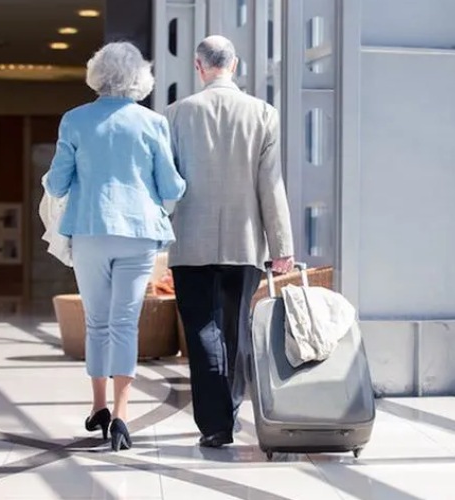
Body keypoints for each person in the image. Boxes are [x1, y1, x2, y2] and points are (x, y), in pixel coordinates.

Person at [45, 41, 186, 452]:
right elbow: (171, 185)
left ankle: (99, 407)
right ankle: (123, 416)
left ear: (96, 74)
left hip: (90, 229)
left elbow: (56, 183)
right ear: (139, 78)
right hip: (139, 232)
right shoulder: (152, 123)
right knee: (125, 323)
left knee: (97, 323)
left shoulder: (75, 121)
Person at [166, 35, 295, 448]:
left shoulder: (175, 114)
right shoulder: (263, 114)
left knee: (202, 329)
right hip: (244, 244)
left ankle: (214, 423)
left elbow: (166, 185)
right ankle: (231, 409)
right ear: (235, 65)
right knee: (235, 329)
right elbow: (270, 186)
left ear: (198, 66)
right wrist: (281, 247)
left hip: (190, 242)